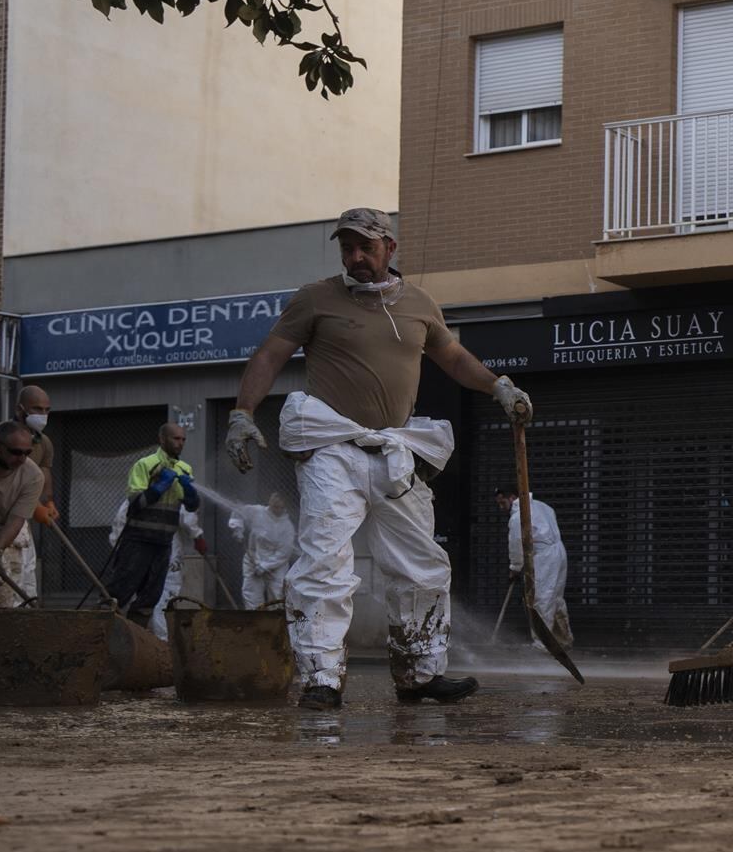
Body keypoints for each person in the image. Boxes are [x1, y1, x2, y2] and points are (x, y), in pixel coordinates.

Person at [224, 207, 534, 709]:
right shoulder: (315, 298)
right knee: (324, 560)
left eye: (366, 247)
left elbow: (451, 356)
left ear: (389, 248)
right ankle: (322, 678)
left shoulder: (418, 303)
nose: (356, 257)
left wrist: (498, 387)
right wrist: (242, 414)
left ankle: (419, 673)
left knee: (422, 562)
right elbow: (270, 355)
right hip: (332, 449)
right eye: (347, 248)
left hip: (395, 449)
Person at [100, 423, 201, 622]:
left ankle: (136, 637)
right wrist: (160, 485)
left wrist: (190, 494)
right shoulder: (145, 465)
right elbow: (136, 503)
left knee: (151, 595)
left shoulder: (184, 469)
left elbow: (191, 508)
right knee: (121, 589)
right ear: (162, 439)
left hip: (163, 544)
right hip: (137, 540)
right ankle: (100, 631)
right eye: (175, 438)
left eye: (183, 439)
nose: (180, 443)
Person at [111, 497, 205, 640]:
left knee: (149, 601)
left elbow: (119, 528)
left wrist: (122, 554)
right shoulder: (173, 497)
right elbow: (187, 518)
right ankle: (156, 643)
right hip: (163, 558)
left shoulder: (135, 499)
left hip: (142, 558)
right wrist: (197, 536)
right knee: (160, 602)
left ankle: (141, 641)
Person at [495, 486, 573, 650]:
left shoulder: (518, 516)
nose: (501, 507)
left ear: (512, 497)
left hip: (543, 556)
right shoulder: (542, 506)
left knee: (541, 599)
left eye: (502, 502)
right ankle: (563, 639)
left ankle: (542, 644)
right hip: (559, 552)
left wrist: (515, 568)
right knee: (556, 598)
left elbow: (517, 544)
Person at [10, 385, 55, 601]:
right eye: (37, 409)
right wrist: (33, 505)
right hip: (5, 515)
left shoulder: (43, 442)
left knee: (27, 574)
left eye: (47, 410)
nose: (43, 415)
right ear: (20, 410)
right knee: (12, 573)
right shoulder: (5, 438)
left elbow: (44, 472)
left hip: (24, 518)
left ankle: (26, 617)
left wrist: (48, 502)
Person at [0, 420, 46, 608]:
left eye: (27, 453)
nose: (22, 458)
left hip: (5, 526)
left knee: (5, 599)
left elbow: (16, 520)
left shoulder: (32, 475)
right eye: (16, 452)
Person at [227, 492, 298, 608]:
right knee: (251, 594)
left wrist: (265, 566)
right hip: (252, 558)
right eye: (274, 502)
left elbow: (283, 553)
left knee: (277, 595)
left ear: (284, 506)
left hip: (276, 566)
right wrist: (237, 529)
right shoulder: (257, 512)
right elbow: (238, 511)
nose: (276, 506)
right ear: (270, 501)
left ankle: (275, 623)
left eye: (279, 505)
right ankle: (255, 621)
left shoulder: (287, 527)